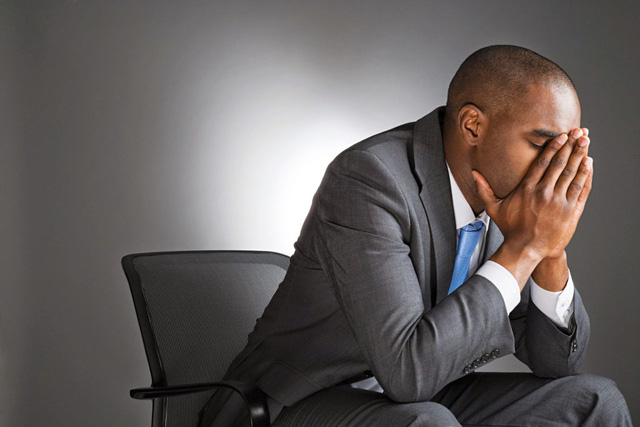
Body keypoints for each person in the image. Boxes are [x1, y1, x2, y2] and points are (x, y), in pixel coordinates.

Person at [199, 45, 633, 426]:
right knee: (426, 422)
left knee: (594, 401)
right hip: (293, 402)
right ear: (473, 126)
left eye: (567, 151)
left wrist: (551, 249)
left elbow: (557, 364)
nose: (555, 170)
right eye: (542, 145)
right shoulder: (371, 179)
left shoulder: (515, 205)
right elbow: (409, 373)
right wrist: (526, 248)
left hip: (414, 397)